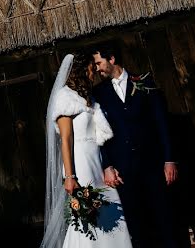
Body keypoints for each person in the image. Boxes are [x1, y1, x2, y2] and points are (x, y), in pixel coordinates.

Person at [41, 53, 132, 248]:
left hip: (97, 162)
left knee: (112, 213)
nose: (94, 74)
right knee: (90, 220)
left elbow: (100, 137)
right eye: (91, 70)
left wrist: (108, 166)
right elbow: (65, 139)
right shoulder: (65, 97)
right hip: (80, 164)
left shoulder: (88, 98)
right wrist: (70, 176)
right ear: (81, 71)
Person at [92, 46, 178, 248]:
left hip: (153, 164)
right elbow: (98, 133)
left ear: (112, 58)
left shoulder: (144, 83)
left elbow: (161, 123)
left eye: (99, 63)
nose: (97, 69)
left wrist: (169, 159)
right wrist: (107, 165)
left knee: (165, 219)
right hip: (123, 170)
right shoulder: (98, 93)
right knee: (137, 225)